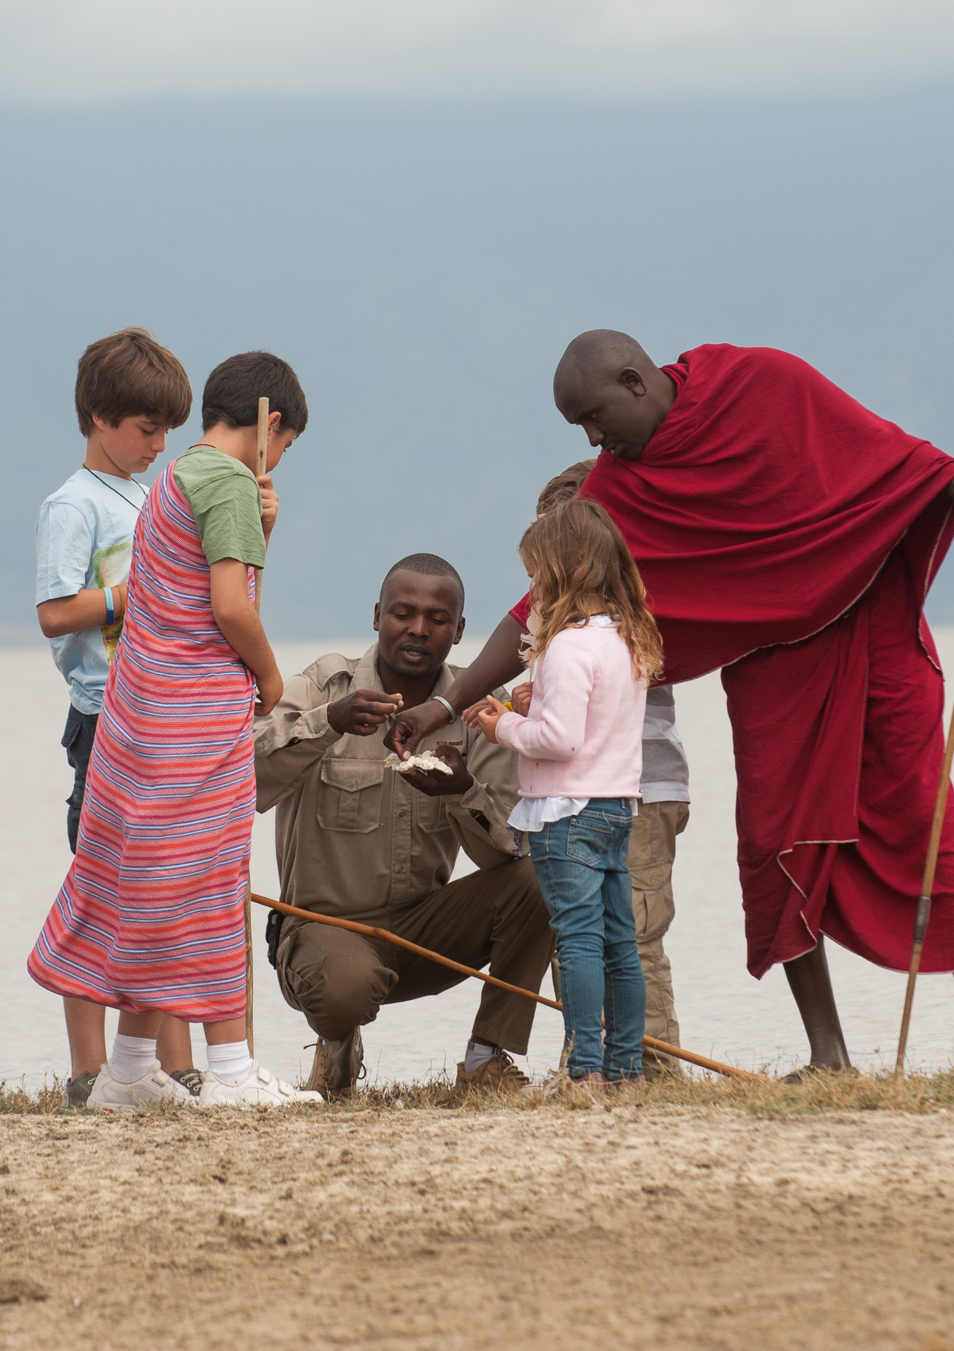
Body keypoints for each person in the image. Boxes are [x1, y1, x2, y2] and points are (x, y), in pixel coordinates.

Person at [398, 331, 954, 1077]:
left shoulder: (757, 380)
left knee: (922, 807)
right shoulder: (615, 489)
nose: (595, 440)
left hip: (868, 615)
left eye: (596, 418)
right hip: (771, 663)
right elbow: (535, 608)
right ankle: (829, 1054)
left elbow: (877, 454)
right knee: (773, 842)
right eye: (580, 431)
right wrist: (448, 703)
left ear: (635, 381)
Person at [27, 352, 322, 1109]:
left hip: (141, 714)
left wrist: (262, 530)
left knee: (152, 885)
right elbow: (229, 608)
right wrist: (270, 678)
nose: (279, 460)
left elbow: (194, 592)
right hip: (194, 721)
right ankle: (228, 1069)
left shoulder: (176, 478)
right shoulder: (225, 482)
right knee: (207, 881)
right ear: (271, 426)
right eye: (285, 446)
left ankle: (128, 1070)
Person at [254, 554, 552, 1099]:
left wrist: (462, 793)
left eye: (438, 619)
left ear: (460, 631)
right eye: (403, 614)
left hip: (424, 934)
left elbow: (506, 851)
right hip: (323, 932)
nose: (418, 629)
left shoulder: (478, 713)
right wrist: (328, 724)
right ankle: (338, 1044)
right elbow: (249, 779)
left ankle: (487, 1058)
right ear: (376, 616)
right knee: (345, 987)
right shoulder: (325, 684)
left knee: (542, 877)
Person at [33, 327, 199, 1109]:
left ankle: (173, 1061)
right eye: (145, 430)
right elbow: (55, 612)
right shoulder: (74, 505)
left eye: (168, 431)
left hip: (159, 712)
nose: (159, 445)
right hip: (104, 718)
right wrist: (139, 596)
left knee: (165, 886)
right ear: (99, 418)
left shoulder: (151, 495)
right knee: (101, 886)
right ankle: (87, 1067)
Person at [463, 500, 657, 1089]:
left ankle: (583, 1072)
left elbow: (561, 740)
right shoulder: (625, 640)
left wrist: (501, 726)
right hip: (615, 808)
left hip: (566, 814)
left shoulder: (567, 646)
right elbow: (598, 722)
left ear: (560, 573)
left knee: (577, 942)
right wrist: (533, 701)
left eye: (535, 575)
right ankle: (625, 1069)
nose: (533, 590)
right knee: (620, 944)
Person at [534, 462, 692, 1075]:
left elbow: (568, 729)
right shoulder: (621, 621)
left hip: (631, 790)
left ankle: (649, 1070)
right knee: (593, 936)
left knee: (631, 939)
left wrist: (503, 722)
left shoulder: (600, 625)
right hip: (613, 792)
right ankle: (598, 1061)